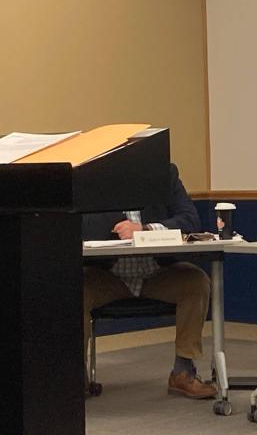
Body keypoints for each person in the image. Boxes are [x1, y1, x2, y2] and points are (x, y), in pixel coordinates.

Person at [82, 164, 216, 398]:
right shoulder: (95, 179)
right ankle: (74, 376)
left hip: (157, 272)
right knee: (74, 290)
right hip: (108, 274)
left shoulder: (164, 175)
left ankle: (183, 372)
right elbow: (82, 225)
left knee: (196, 283)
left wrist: (145, 230)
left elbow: (190, 220)